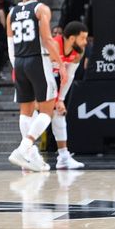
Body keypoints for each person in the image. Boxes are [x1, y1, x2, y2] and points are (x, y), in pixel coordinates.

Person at [6, 0, 67, 173]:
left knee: (26, 111)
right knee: (47, 112)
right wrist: (60, 64)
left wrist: (16, 66)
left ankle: (30, 158)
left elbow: (10, 45)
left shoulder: (11, 13)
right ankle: (23, 149)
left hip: (20, 61)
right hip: (38, 59)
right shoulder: (41, 9)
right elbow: (48, 39)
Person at [48, 21, 88, 170]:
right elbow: (44, 74)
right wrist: (55, 98)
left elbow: (69, 77)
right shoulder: (53, 45)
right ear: (72, 39)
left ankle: (63, 157)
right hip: (37, 80)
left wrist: (61, 99)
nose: (85, 42)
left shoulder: (78, 53)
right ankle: (27, 153)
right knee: (36, 116)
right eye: (83, 38)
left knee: (59, 115)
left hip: (54, 82)